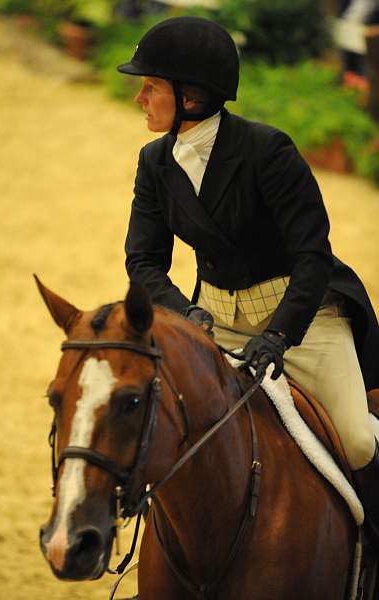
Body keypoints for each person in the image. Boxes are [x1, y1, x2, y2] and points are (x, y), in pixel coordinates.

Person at [117, 16, 379, 546]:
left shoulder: (268, 152)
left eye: (152, 86)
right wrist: (186, 315)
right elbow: (143, 262)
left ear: (190, 98)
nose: (141, 96)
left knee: (354, 441)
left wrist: (281, 334)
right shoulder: (154, 162)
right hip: (214, 320)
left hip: (302, 319)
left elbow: (312, 258)